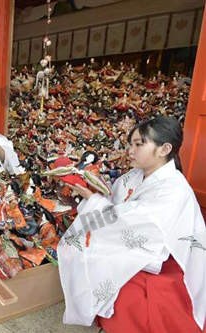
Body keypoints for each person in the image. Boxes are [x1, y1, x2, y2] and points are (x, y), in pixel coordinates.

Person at [58, 116, 206, 332]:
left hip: (163, 254)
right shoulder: (132, 177)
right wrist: (94, 196)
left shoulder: (175, 188)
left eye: (139, 144)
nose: (130, 150)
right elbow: (118, 208)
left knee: (114, 276)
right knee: (80, 250)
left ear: (164, 149)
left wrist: (93, 202)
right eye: (130, 144)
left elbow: (140, 222)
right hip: (134, 241)